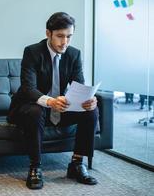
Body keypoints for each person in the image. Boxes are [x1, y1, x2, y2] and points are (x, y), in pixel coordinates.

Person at [7, 12, 99, 189]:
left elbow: (79, 86)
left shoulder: (73, 54)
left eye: (69, 36)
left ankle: (77, 163)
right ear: (48, 33)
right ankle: (35, 167)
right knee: (36, 110)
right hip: (29, 106)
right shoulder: (32, 52)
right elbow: (28, 88)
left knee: (91, 110)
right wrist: (50, 101)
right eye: (60, 36)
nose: (65, 42)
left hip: (58, 108)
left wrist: (88, 100)